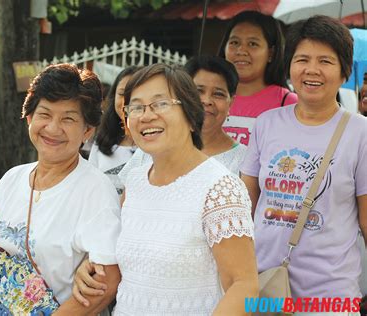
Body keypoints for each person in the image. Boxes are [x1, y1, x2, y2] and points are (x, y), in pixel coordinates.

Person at [74, 64, 258, 315]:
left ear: (191, 116)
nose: (146, 115)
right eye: (136, 107)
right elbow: (123, 252)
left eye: (160, 103)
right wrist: (94, 262)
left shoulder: (219, 188)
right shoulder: (136, 181)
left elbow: (244, 285)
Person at [0, 64, 121, 316]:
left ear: (87, 131)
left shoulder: (95, 191)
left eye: (68, 118)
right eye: (45, 114)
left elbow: (107, 280)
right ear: (29, 117)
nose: (53, 128)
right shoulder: (11, 179)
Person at [240, 15, 367, 302]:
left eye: (325, 61)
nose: (312, 70)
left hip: (329, 295)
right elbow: (246, 206)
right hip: (264, 285)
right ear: (289, 67)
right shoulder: (266, 123)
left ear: (345, 72)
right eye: (302, 59)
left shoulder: (361, 132)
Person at [119, 56, 247, 183]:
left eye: (218, 94)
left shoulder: (244, 159)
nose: (207, 101)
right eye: (199, 91)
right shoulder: (152, 148)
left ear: (231, 103)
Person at [218, 11, 298, 145]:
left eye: (252, 44)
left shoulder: (289, 105)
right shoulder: (206, 98)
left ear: (271, 53)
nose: (241, 51)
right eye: (234, 42)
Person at [88, 66, 141, 195]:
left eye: (134, 94)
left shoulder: (155, 145)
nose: (126, 101)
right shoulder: (101, 142)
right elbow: (89, 187)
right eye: (122, 93)